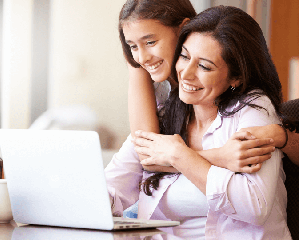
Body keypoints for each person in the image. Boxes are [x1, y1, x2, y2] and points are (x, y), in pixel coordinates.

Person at [106, 5, 291, 239]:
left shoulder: (253, 110)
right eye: (183, 56)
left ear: (236, 77)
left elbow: (255, 206)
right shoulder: (168, 111)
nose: (185, 73)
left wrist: (179, 156)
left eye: (204, 66)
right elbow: (117, 181)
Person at [125, 0, 299, 172]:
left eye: (150, 42)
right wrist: (220, 156)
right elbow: (149, 158)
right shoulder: (167, 95)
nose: (142, 58)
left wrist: (281, 136)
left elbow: (152, 158)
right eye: (132, 46)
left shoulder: (251, 105)